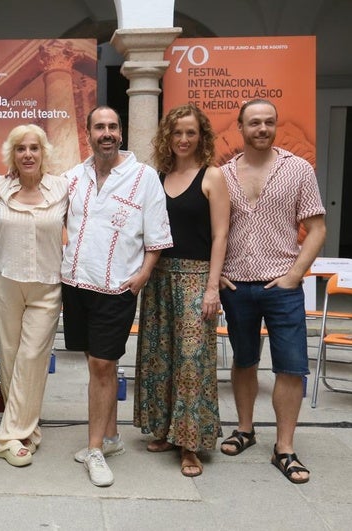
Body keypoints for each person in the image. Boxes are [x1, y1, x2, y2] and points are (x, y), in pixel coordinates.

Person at [63, 106, 172, 487]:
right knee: (95, 363)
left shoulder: (144, 178)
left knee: (102, 367)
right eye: (99, 127)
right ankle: (109, 439)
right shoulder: (73, 178)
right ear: (88, 133)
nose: (106, 133)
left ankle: (94, 448)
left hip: (117, 288)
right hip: (76, 285)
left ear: (121, 133)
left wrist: (141, 276)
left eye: (112, 127)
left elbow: (157, 234)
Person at [218, 99, 325, 484]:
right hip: (236, 283)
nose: (262, 128)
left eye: (268, 122)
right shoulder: (223, 174)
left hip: (282, 284)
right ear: (241, 127)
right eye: (254, 123)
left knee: (291, 366)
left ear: (275, 126)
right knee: (244, 360)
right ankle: (245, 429)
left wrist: (296, 274)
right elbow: (214, 231)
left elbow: (317, 228)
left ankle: (285, 447)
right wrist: (217, 276)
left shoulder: (297, 170)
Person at [133, 104, 230, 477]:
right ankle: (166, 431)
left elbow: (221, 234)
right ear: (167, 138)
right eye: (177, 133)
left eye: (190, 133)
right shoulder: (156, 178)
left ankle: (191, 445)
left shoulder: (212, 177)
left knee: (191, 363)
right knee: (160, 358)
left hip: (195, 277)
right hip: (159, 278)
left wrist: (211, 288)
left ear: (201, 136)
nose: (184, 139)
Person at [0, 125, 67, 467]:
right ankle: (26, 431)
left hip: (48, 284)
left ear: (43, 152)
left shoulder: (63, 188)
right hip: (6, 280)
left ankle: (6, 439)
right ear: (12, 154)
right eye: (21, 148)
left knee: (32, 357)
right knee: (8, 356)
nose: (28, 154)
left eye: (34, 148)